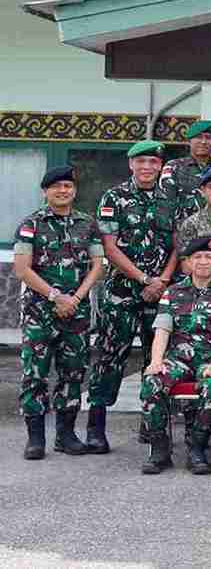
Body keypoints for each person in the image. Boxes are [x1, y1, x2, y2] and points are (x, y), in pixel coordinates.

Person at [87, 140, 177, 454]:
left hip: (160, 293)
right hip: (122, 292)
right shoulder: (114, 197)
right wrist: (143, 279)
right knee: (110, 357)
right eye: (141, 161)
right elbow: (110, 248)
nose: (147, 167)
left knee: (157, 358)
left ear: (160, 166)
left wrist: (163, 280)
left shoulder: (171, 199)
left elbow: (178, 246)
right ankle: (96, 428)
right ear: (131, 164)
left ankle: (151, 425)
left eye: (153, 162)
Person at [13, 165, 103, 459]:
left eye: (68, 186)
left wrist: (75, 298)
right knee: (35, 374)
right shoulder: (31, 224)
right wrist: (56, 296)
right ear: (45, 191)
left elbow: (97, 266)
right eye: (56, 186)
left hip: (76, 312)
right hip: (39, 312)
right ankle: (35, 437)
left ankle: (66, 435)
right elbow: (22, 269)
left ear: (74, 190)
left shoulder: (87, 224)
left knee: (73, 373)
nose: (63, 191)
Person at [138, 236, 211, 475]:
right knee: (152, 381)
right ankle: (160, 449)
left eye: (209, 257)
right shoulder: (172, 292)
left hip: (210, 359)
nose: (203, 261)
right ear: (188, 262)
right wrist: (156, 361)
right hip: (178, 359)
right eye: (198, 257)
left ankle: (197, 448)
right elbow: (162, 330)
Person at [158, 120, 211, 223]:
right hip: (182, 228)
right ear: (189, 141)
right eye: (198, 137)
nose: (203, 142)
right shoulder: (173, 167)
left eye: (208, 137)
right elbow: (166, 204)